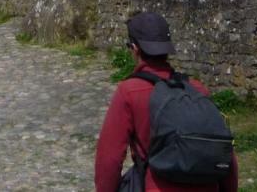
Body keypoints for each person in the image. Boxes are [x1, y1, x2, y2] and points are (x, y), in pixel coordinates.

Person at [94, 12, 238, 192]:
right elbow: (224, 150)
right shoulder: (197, 89)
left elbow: (109, 159)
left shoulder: (129, 92)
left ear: (135, 48)